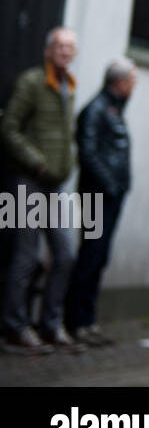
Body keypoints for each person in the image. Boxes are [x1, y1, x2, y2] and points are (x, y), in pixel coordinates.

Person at [0, 27, 84, 354]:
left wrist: (68, 162)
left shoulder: (69, 87)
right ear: (48, 50)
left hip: (55, 184)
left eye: (70, 47)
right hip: (27, 181)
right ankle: (15, 328)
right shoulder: (32, 82)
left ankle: (50, 324)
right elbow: (8, 128)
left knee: (65, 255)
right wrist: (36, 161)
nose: (65, 51)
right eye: (59, 46)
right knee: (26, 256)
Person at [64, 57, 136, 347]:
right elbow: (88, 153)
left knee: (100, 256)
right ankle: (74, 322)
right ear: (119, 82)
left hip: (111, 196)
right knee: (90, 254)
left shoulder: (115, 108)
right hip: (97, 196)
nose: (135, 86)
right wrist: (109, 185)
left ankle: (88, 320)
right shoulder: (95, 110)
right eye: (132, 80)